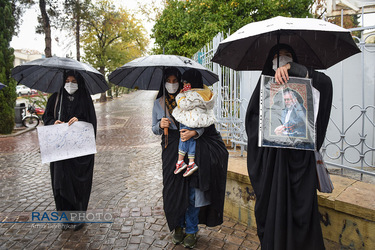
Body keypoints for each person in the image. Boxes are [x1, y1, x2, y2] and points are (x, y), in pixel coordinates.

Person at [245, 44, 333, 250]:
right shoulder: (264, 86)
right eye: (277, 56)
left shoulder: (308, 82)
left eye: (287, 55)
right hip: (272, 165)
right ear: (270, 62)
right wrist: (270, 133)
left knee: (301, 216)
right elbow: (252, 121)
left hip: (300, 166)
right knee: (271, 212)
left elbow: (326, 85)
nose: (282, 59)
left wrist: (296, 69)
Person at [152, 67, 228, 248]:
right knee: (172, 191)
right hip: (171, 150)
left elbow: (205, 122)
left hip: (193, 147)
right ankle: (177, 227)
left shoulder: (192, 99)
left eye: (175, 81)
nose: (172, 84)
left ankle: (192, 229)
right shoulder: (159, 103)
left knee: (193, 192)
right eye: (168, 81)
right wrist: (159, 124)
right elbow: (154, 129)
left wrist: (195, 132)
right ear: (163, 83)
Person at [42, 70, 97, 231]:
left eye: (74, 80)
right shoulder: (55, 99)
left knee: (79, 184)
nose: (70, 84)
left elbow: (92, 122)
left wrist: (80, 121)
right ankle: (65, 217)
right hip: (60, 152)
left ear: (79, 83)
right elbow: (47, 119)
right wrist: (55, 122)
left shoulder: (85, 99)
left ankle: (79, 216)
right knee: (61, 182)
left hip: (80, 154)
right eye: (67, 80)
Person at [172, 69, 216, 177]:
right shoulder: (205, 94)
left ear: (192, 82)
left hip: (191, 121)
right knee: (190, 139)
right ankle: (190, 162)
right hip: (198, 121)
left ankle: (181, 161)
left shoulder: (192, 95)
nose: (184, 84)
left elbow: (184, 105)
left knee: (184, 136)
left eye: (186, 82)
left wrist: (179, 96)